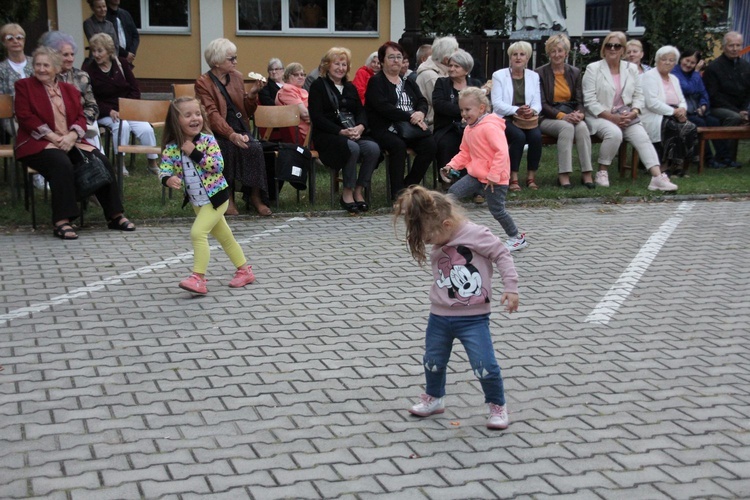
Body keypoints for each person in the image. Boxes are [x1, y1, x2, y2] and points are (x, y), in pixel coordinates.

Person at [393, 185, 519, 430]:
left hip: (473, 318)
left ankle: (497, 406)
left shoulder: (475, 234)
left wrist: (511, 287)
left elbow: (502, 253)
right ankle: (434, 397)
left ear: (447, 225)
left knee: (485, 365)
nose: (428, 242)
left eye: (429, 237)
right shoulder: (442, 231)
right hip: (439, 315)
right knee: (433, 360)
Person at [15, 46, 135, 239]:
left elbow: (80, 117)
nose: (41, 69)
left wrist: (71, 136)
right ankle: (62, 221)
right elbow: (25, 117)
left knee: (101, 160)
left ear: (56, 68)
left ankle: (115, 215)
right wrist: (54, 138)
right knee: (61, 164)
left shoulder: (69, 89)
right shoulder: (24, 86)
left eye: (46, 65)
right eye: (38, 65)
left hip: (69, 140)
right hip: (38, 143)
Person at [159, 97, 256, 294]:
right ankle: (244, 271)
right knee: (225, 237)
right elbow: (165, 169)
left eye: (197, 114)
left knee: (198, 233)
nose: (195, 119)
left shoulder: (207, 141)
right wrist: (168, 179)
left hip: (217, 197)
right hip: (197, 201)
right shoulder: (172, 147)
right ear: (176, 121)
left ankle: (198, 278)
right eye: (187, 115)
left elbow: (217, 166)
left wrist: (195, 153)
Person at [582, 31, 678, 192]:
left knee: (642, 137)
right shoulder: (593, 68)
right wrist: (612, 118)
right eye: (609, 45)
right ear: (604, 48)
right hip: (600, 115)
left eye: (617, 46)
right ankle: (602, 171)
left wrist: (633, 112)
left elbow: (639, 95)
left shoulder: (631, 68)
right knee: (614, 133)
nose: (613, 49)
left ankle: (657, 177)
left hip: (626, 115)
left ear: (623, 50)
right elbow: (590, 101)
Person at [442, 87, 528, 251]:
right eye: (461, 110)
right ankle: (454, 231)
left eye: (468, 109)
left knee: (497, 210)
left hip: (495, 179)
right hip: (476, 175)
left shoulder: (490, 127)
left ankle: (516, 238)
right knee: (452, 195)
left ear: (481, 108)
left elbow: (501, 152)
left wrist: (494, 176)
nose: (464, 114)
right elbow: (465, 152)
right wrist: (451, 165)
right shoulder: (469, 128)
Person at [195, 38, 271, 216]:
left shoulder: (236, 76)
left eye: (235, 58)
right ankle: (227, 197)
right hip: (216, 130)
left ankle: (255, 196)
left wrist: (251, 95)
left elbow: (246, 110)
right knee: (226, 149)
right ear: (216, 62)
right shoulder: (203, 82)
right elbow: (211, 114)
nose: (235, 62)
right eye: (231, 59)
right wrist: (231, 135)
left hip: (239, 125)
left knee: (255, 148)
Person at [308, 47, 380, 214]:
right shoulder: (318, 86)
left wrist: (360, 127)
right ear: (327, 65)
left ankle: (359, 189)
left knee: (373, 149)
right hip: (329, 134)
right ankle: (347, 191)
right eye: (337, 64)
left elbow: (361, 111)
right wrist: (341, 132)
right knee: (351, 147)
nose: (341, 68)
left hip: (353, 131)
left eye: (344, 64)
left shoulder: (350, 87)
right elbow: (317, 117)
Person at [365, 41, 436, 199]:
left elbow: (422, 101)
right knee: (398, 146)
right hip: (385, 127)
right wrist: (411, 116)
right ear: (382, 60)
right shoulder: (376, 82)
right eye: (391, 57)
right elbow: (383, 108)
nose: (396, 60)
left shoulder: (408, 80)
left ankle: (409, 186)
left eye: (399, 57)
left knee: (430, 145)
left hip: (409, 127)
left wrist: (420, 114)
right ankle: (398, 195)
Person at [82, 33, 160, 175]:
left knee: (146, 128)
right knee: (121, 126)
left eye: (100, 51)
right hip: (106, 112)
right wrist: (109, 110)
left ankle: (152, 162)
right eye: (94, 51)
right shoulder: (89, 70)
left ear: (109, 51)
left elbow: (135, 89)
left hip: (127, 109)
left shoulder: (122, 64)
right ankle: (120, 163)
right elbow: (91, 99)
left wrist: (128, 107)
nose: (96, 54)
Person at [535, 34, 594, 188]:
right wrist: (563, 116)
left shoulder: (574, 72)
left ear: (566, 53)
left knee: (581, 128)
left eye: (560, 51)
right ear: (548, 53)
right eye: (553, 51)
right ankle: (564, 175)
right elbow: (541, 104)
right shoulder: (540, 73)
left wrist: (579, 114)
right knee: (567, 128)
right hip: (547, 117)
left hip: (570, 113)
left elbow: (580, 101)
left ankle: (587, 173)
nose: (557, 55)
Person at [491, 41, 543, 191]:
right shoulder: (499, 75)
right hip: (504, 117)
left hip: (526, 119)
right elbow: (497, 104)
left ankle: (531, 176)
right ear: (510, 57)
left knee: (536, 136)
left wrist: (531, 111)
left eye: (522, 54)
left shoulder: (534, 76)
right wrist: (516, 109)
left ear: (527, 58)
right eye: (515, 54)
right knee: (518, 137)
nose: (518, 58)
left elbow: (537, 103)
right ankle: (513, 177)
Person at [39, 31, 102, 151]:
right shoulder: (44, 76)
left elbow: (93, 106)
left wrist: (79, 123)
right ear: (54, 55)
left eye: (72, 54)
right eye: (65, 55)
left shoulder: (81, 76)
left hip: (81, 123)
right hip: (53, 125)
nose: (70, 59)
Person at [640, 45, 697, 177]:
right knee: (672, 126)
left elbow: (682, 99)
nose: (668, 62)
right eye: (664, 59)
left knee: (690, 127)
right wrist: (674, 112)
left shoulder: (674, 79)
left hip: (672, 113)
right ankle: (663, 164)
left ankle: (679, 165)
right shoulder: (649, 76)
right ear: (657, 60)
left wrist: (682, 109)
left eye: (671, 60)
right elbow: (652, 103)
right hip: (653, 115)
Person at [672, 48, 731, 168]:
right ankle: (707, 159)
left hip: (696, 110)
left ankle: (724, 157)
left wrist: (703, 106)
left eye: (692, 63)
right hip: (682, 112)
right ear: (681, 59)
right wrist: (696, 71)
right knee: (700, 123)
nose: (688, 65)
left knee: (714, 122)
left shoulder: (695, 75)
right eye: (687, 60)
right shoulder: (675, 72)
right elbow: (688, 88)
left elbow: (704, 93)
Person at [431, 49, 483, 180]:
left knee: (479, 143)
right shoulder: (441, 83)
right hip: (447, 127)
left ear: (466, 70)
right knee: (447, 143)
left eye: (456, 66)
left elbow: (481, 106)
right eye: (450, 65)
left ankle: (476, 180)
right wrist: (465, 112)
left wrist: (467, 115)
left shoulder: (475, 84)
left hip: (472, 127)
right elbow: (439, 105)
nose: (452, 69)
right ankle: (448, 180)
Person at [703, 31, 750, 150]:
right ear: (724, 47)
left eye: (738, 45)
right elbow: (714, 96)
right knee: (734, 117)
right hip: (718, 107)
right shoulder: (714, 67)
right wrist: (738, 111)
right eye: (731, 45)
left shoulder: (745, 66)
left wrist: (745, 109)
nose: (735, 49)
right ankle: (726, 156)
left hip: (741, 108)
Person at [416, 36, 459, 129]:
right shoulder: (430, 75)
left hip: (446, 121)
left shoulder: (443, 70)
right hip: (433, 125)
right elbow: (442, 104)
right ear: (446, 59)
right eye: (456, 53)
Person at [274, 62, 310, 145]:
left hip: (312, 129)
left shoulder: (303, 91)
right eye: (296, 75)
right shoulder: (286, 91)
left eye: (303, 74)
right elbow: (305, 114)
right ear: (287, 77)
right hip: (303, 135)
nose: (301, 77)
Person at [0, 23, 32, 97]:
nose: (15, 41)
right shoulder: (1, 69)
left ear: (24, 40)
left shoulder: (36, 63)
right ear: (4, 42)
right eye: (10, 38)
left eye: (19, 37)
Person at [106, 0, 139, 65]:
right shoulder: (105, 17)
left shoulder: (125, 14)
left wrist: (131, 53)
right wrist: (125, 54)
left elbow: (135, 35)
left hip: (128, 59)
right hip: (112, 58)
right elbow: (107, 40)